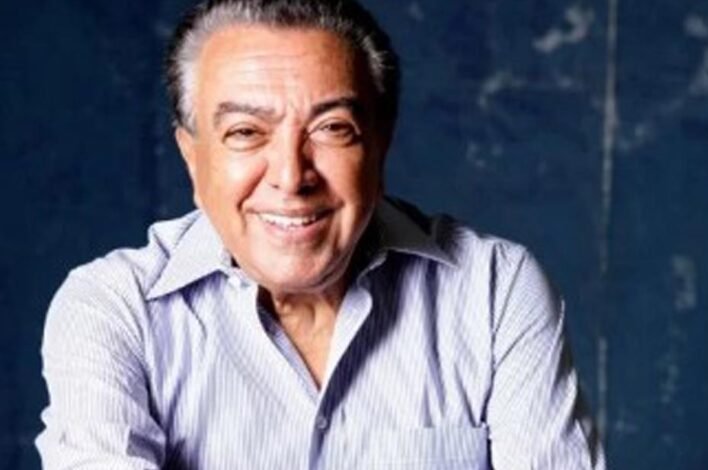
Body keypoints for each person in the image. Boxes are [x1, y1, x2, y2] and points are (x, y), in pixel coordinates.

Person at [36, 0, 605, 468]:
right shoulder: (113, 310)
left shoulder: (494, 292)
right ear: (192, 155)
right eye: (245, 132)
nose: (291, 177)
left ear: (380, 144)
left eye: (333, 128)